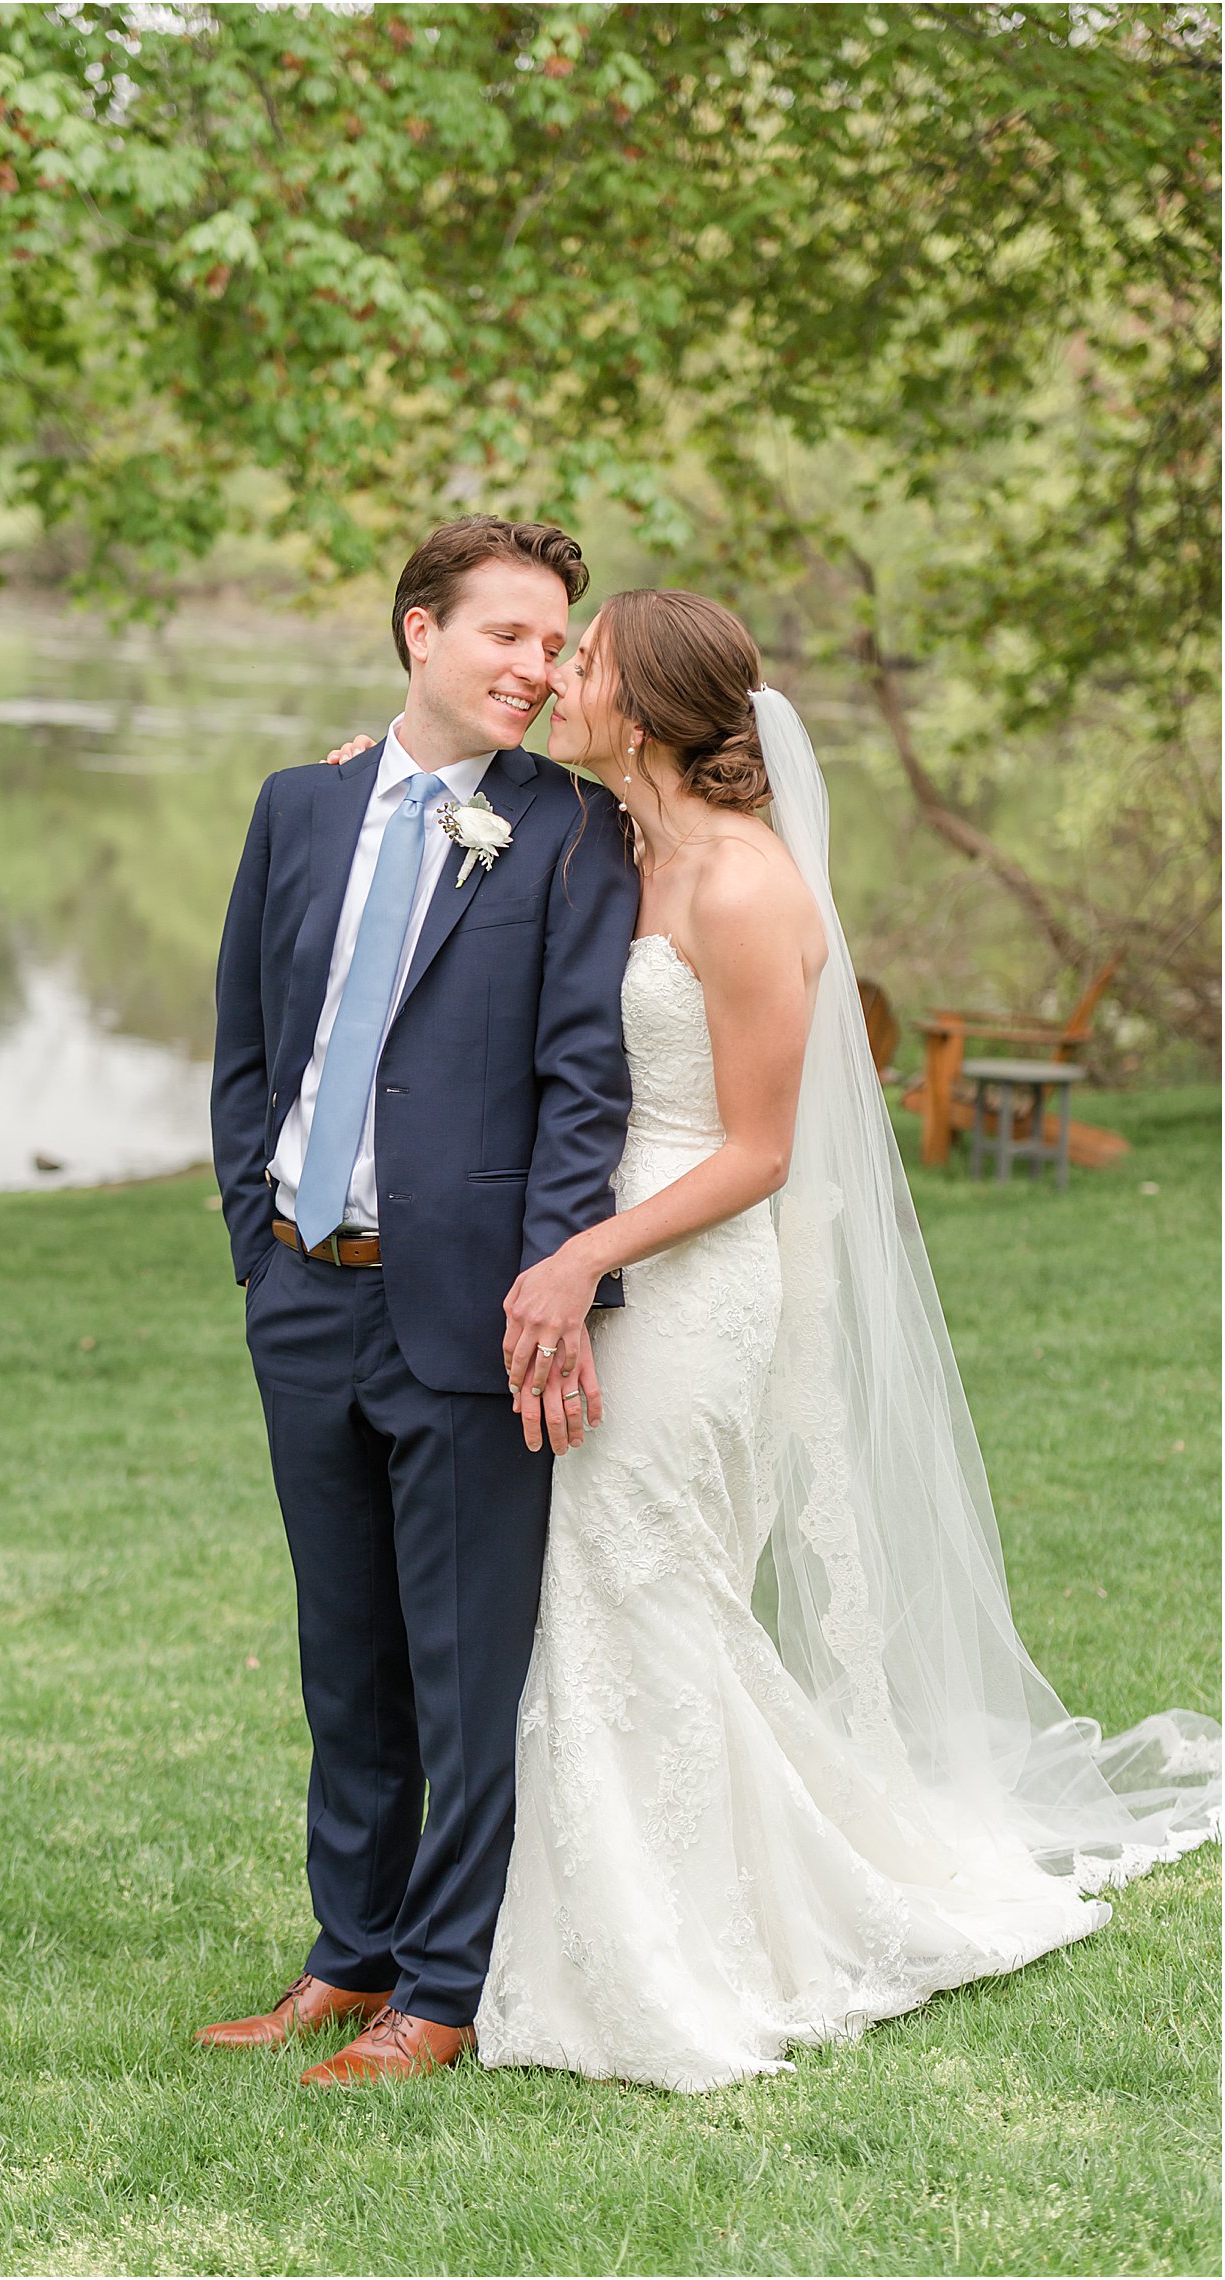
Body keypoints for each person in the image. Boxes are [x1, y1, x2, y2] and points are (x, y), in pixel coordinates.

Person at [327, 587, 1220, 2095]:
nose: (557, 684)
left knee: (641, 1589)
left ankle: (678, 1960)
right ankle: (584, 1930)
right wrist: (381, 777)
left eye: (585, 663)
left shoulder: (744, 887)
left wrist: (580, 1258)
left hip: (690, 1281)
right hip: (586, 1264)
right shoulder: (614, 835)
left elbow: (755, 1151)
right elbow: (471, 817)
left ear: (652, 707)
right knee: (590, 1601)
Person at [204, 516, 640, 2085]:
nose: (536, 665)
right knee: (346, 1658)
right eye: (508, 634)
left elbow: (585, 1083)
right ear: (419, 634)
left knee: (466, 1674)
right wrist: (260, 1246)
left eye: (554, 641)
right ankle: (350, 1954)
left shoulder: (579, 835)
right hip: (307, 1292)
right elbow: (253, 1046)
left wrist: (554, 1282)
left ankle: (442, 1996)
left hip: (473, 1313)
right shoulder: (300, 806)